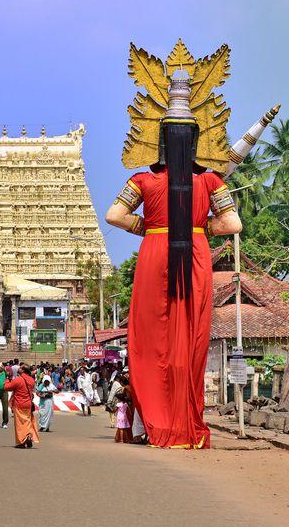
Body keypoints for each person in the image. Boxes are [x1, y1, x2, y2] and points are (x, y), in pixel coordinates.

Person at [105, 52, 250, 449]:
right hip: (197, 253)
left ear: (161, 138)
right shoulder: (210, 182)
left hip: (154, 251)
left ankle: (155, 422)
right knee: (191, 340)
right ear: (198, 140)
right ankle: (186, 425)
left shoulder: (142, 180)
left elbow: (114, 214)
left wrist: (150, 229)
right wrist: (197, 228)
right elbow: (234, 225)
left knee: (150, 341)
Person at [4, 365, 39, 449]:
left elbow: (7, 387)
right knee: (27, 421)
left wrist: (8, 380)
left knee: (20, 423)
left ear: (23, 370)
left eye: (20, 368)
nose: (18, 368)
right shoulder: (31, 380)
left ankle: (22, 441)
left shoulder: (18, 380)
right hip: (28, 404)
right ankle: (29, 436)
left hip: (19, 403)